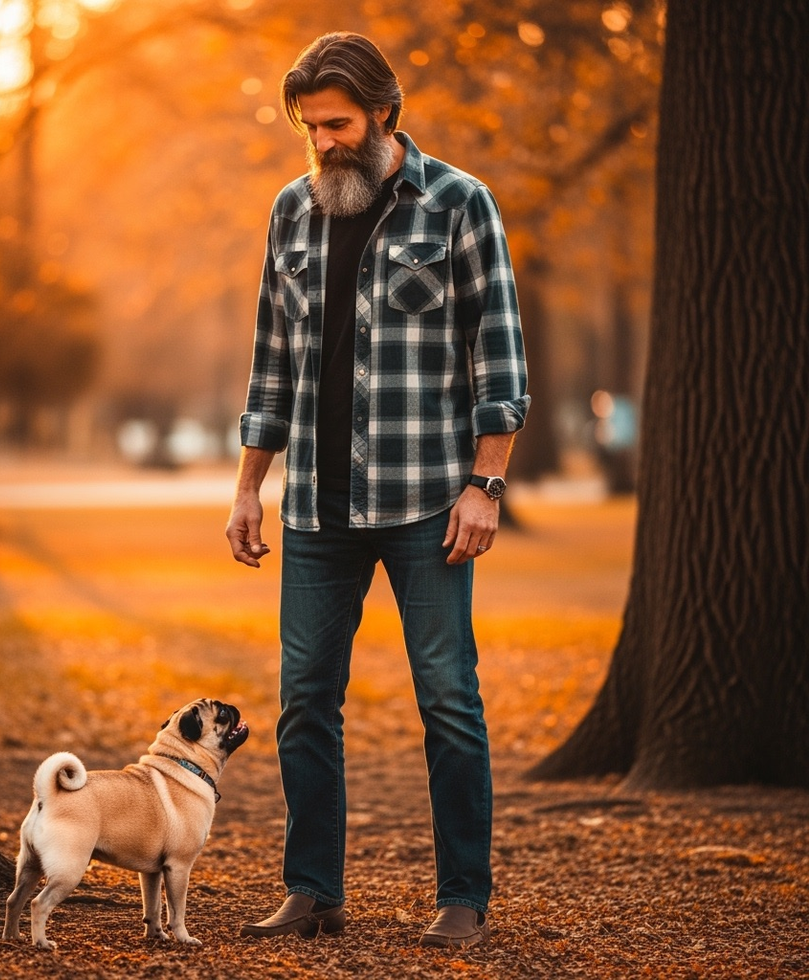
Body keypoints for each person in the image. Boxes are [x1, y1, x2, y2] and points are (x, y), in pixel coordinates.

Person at [225, 31, 529, 949]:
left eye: (339, 123)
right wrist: (249, 487)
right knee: (303, 700)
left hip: (427, 501)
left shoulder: (460, 205)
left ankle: (463, 898)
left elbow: (500, 356)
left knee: (447, 697)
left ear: (386, 115)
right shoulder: (290, 212)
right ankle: (313, 890)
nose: (323, 142)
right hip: (317, 507)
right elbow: (271, 361)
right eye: (310, 126)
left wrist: (487, 483)